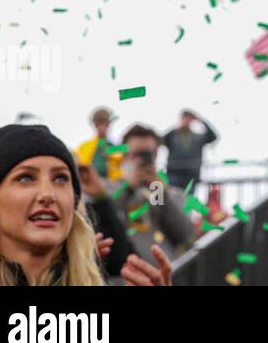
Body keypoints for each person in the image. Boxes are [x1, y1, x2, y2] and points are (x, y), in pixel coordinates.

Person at [0, 124, 169, 286]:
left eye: (60, 178)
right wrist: (120, 191)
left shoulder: (163, 191)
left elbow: (182, 231)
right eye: (25, 178)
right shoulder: (111, 189)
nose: (48, 195)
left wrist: (157, 191)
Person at [113, 124, 196, 269]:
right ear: (125, 156)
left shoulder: (172, 194)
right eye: (137, 154)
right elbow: (104, 222)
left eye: (148, 154)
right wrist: (129, 188)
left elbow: (186, 237)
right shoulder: (110, 190)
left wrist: (161, 194)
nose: (143, 160)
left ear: (156, 155)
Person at [162, 109, 218, 187]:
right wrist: (176, 128)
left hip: (192, 175)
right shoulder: (172, 135)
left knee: (188, 198)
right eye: (185, 118)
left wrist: (201, 120)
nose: (187, 121)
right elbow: (160, 140)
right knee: (173, 197)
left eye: (189, 119)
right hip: (174, 173)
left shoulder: (198, 137)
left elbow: (213, 137)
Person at [75, 106, 123, 182]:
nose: (102, 127)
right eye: (98, 124)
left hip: (114, 185)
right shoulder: (84, 146)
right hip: (90, 183)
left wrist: (109, 151)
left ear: (108, 125)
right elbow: (78, 163)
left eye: (105, 124)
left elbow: (126, 154)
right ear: (95, 125)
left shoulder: (117, 145)